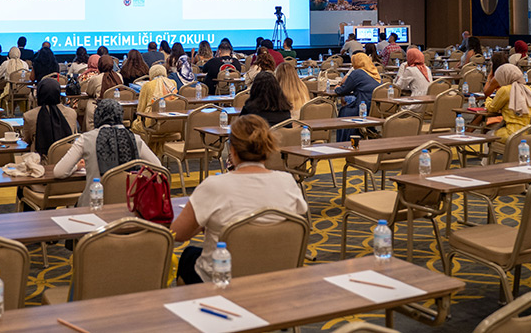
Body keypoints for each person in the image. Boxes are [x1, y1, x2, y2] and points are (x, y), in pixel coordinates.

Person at [170, 115, 307, 284]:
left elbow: (178, 234)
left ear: (232, 150)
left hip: (223, 278)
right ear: (268, 148)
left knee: (188, 255)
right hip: (276, 274)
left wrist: (204, 222)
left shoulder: (214, 186)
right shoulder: (288, 182)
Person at [55, 99, 162, 206]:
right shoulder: (135, 139)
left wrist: (77, 167)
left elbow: (59, 172)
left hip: (93, 206)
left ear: (97, 116)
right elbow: (158, 167)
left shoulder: (85, 139)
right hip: (129, 207)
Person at [484, 63, 531, 143]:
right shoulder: (528, 89)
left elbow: (492, 108)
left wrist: (488, 99)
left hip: (513, 133)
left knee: (488, 135)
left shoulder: (505, 90)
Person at [23, 78, 76, 155]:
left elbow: (27, 140)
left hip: (41, 159)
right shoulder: (72, 113)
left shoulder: (29, 116)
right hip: (69, 157)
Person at [334, 52, 380, 140]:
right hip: (375, 109)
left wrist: (337, 88)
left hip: (363, 108)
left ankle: (344, 141)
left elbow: (343, 90)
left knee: (344, 111)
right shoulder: (375, 73)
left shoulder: (357, 73)